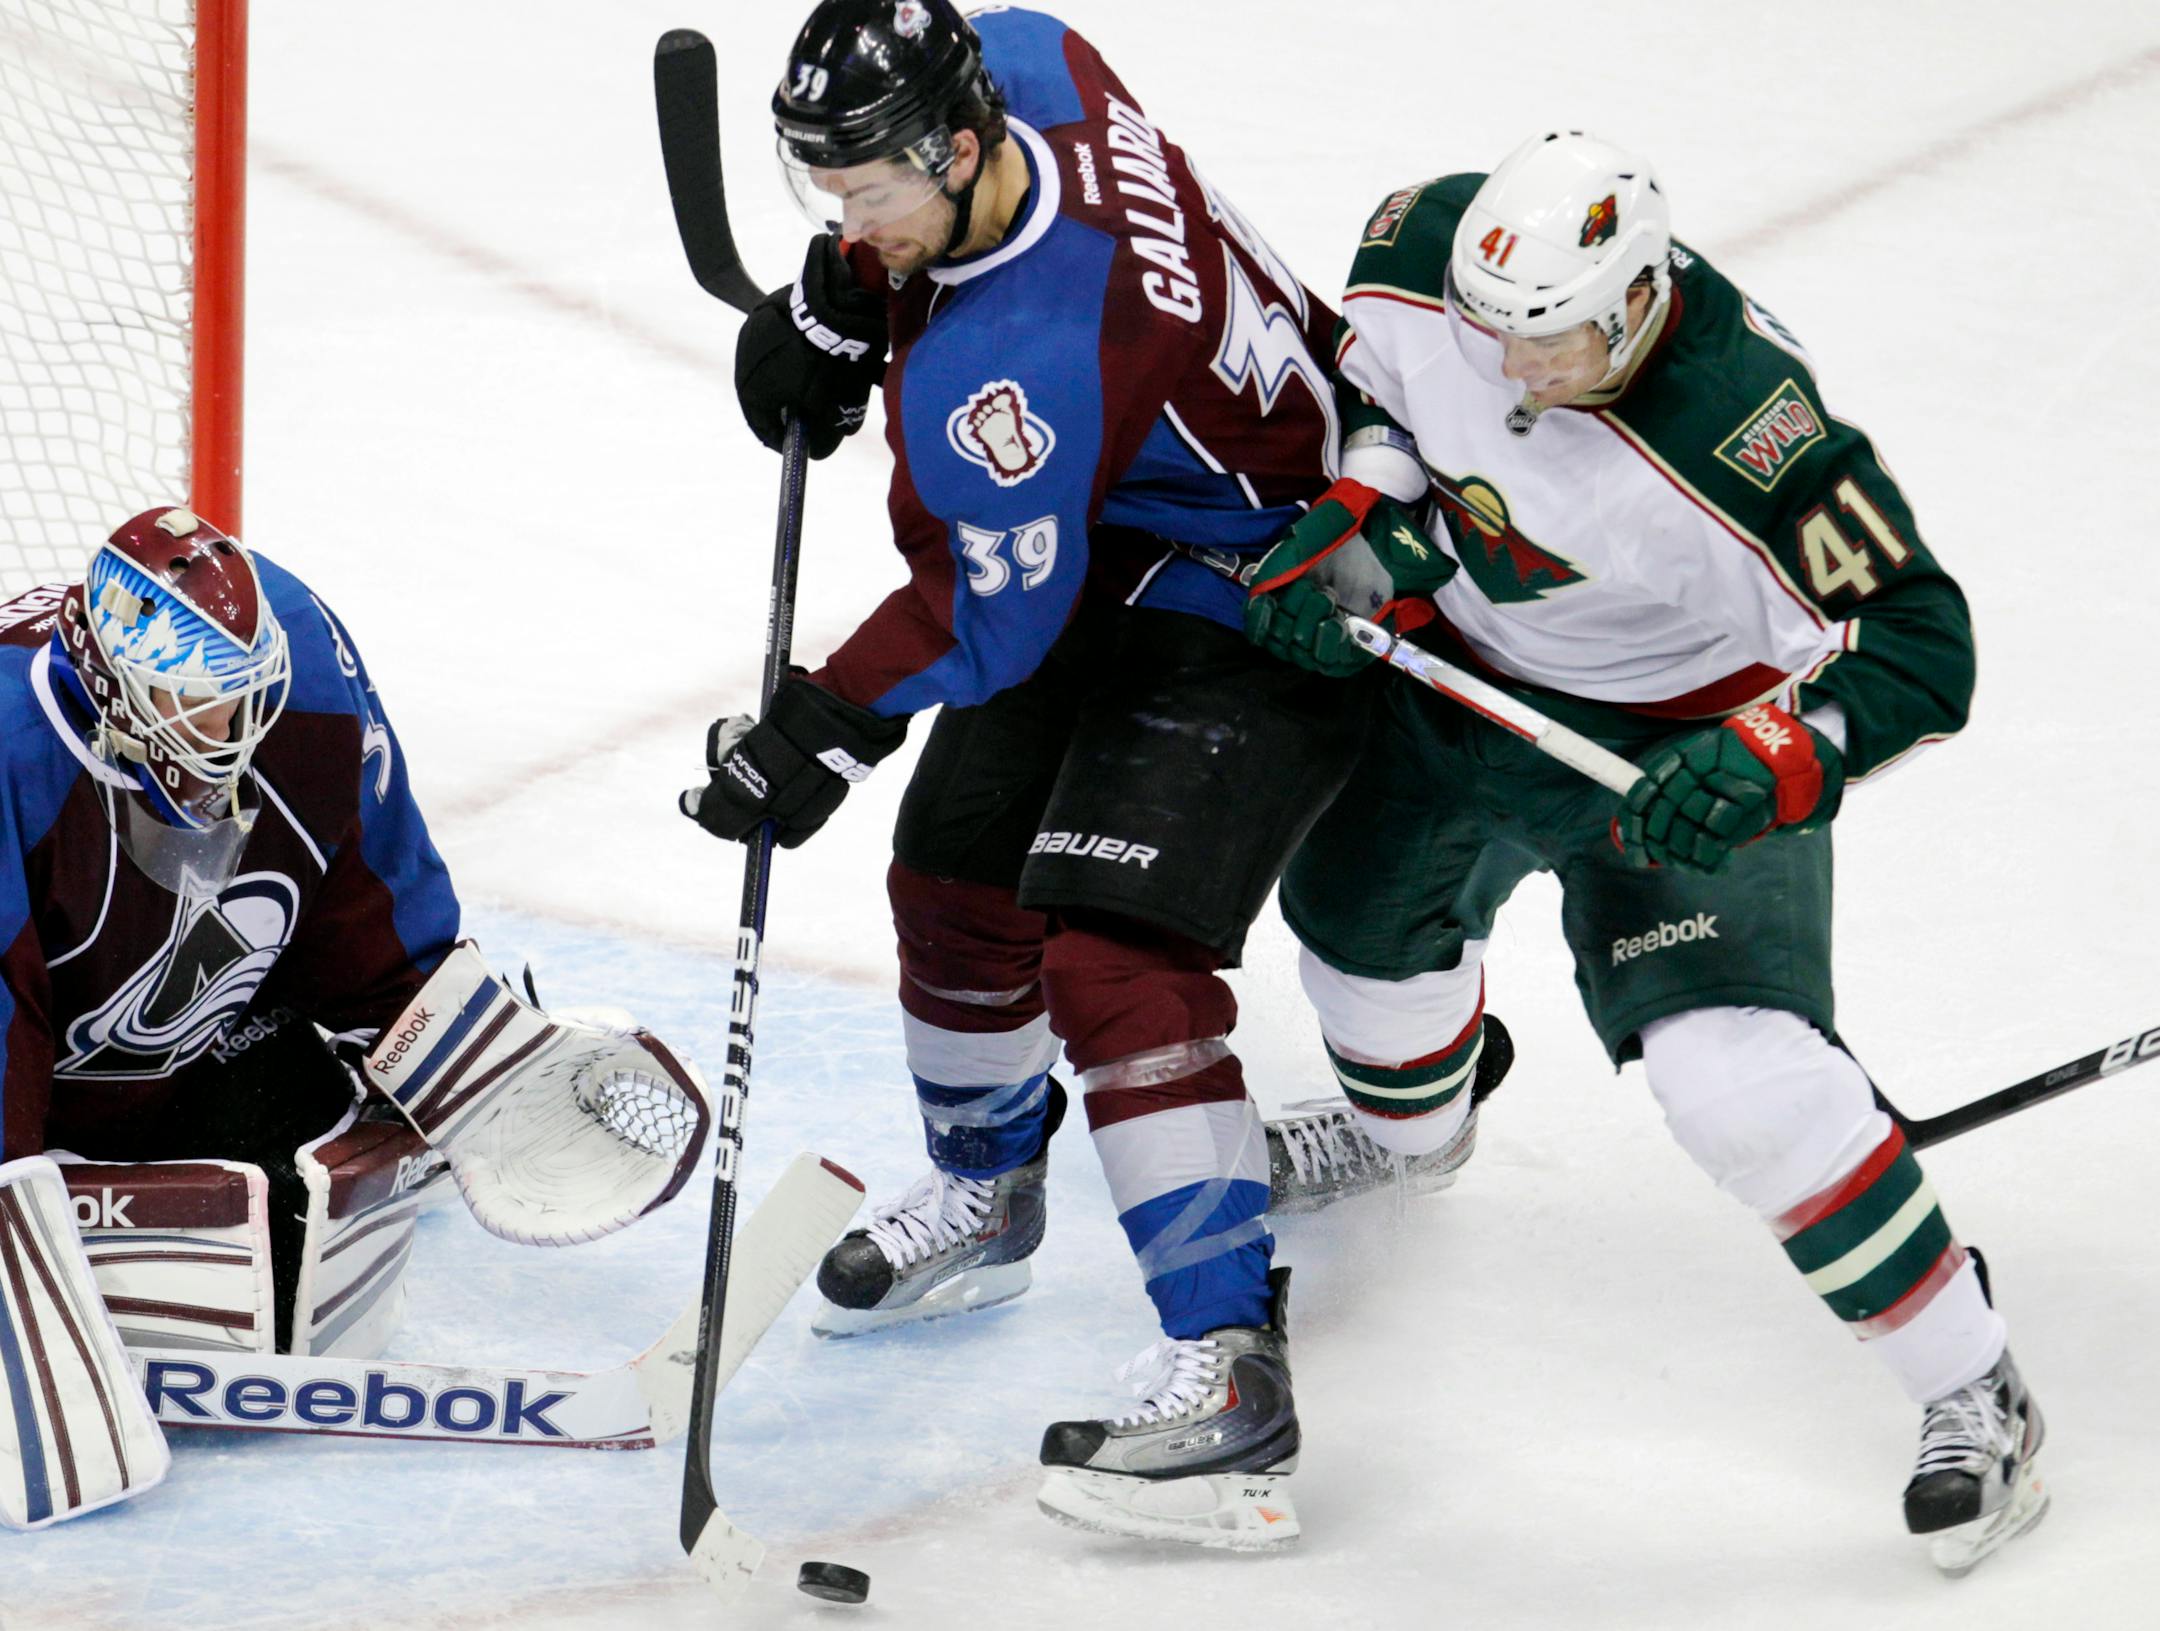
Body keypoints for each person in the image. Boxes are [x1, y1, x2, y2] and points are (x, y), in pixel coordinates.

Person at [678, 0, 1466, 1549]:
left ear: (960, 150)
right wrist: (845, 293)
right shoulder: (1029, 57)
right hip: (1137, 517)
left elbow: (980, 613)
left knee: (1113, 952)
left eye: (871, 198)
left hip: (1282, 585)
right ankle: (991, 1189)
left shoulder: (1016, 376)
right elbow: (961, 241)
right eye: (829, 194)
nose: (853, 220)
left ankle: (1229, 1371)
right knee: (955, 865)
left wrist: (817, 726)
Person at [1241, 130, 2045, 1574]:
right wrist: (1370, 517)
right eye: (1495, 335)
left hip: (1680, 751)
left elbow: (1926, 646)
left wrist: (1774, 754)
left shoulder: (1751, 437)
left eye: (1548, 344)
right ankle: (1404, 1136)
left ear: (1637, 299)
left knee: (1736, 1080)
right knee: (1350, 932)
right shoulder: (1423, 249)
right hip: (1464, 682)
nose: (1511, 372)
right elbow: (1390, 401)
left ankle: (1968, 1375)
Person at [0, 507, 707, 1529]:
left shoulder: (295, 654)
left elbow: (363, 867)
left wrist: (436, 1040)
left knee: (292, 1240)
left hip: (180, 1038)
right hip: (40, 1069)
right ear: (113, 687)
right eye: (192, 707)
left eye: (241, 700)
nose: (231, 735)